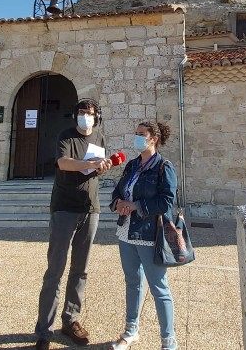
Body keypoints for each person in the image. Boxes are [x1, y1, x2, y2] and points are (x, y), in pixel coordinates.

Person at [35, 98, 111, 350]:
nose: (85, 117)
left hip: (91, 209)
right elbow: (63, 163)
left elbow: (95, 170)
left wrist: (103, 167)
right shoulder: (66, 136)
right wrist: (89, 164)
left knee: (81, 270)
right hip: (64, 208)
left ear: (96, 117)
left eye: (89, 113)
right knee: (55, 270)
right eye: (81, 112)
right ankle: (44, 331)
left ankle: (71, 320)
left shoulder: (99, 138)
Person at [108, 121, 178, 350]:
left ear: (153, 138)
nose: (136, 137)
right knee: (132, 282)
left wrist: (136, 205)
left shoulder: (163, 167)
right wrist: (118, 203)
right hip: (126, 231)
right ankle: (131, 331)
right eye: (135, 133)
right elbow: (118, 191)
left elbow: (167, 201)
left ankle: (169, 341)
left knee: (159, 286)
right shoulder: (131, 166)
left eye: (141, 134)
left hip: (149, 233)